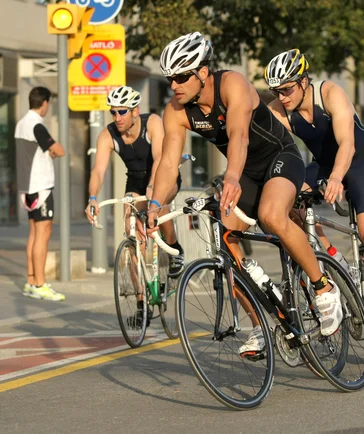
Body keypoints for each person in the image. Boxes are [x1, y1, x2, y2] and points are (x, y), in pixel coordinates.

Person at [150, 33, 344, 355]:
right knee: (224, 246)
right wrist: (156, 206)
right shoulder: (177, 111)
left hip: (279, 158)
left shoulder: (232, 84)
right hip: (244, 174)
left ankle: (323, 287)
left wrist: (231, 177)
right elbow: (169, 164)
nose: (175, 85)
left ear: (202, 72)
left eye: (182, 76)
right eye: (170, 79)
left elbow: (238, 135)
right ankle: (260, 325)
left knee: (271, 215)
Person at [265, 48, 364, 346]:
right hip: (323, 165)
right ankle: (329, 251)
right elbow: (277, 149)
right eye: (276, 91)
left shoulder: (330, 93)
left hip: (358, 160)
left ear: (303, 81)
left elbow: (347, 142)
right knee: (290, 205)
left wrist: (338, 178)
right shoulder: (280, 108)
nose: (282, 96)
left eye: (287, 88)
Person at [84, 86, 185, 278]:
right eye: (113, 112)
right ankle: (140, 295)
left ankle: (174, 248)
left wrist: (152, 188)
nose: (117, 117)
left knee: (159, 202)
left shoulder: (152, 123)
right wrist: (92, 197)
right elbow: (98, 170)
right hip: (135, 180)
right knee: (130, 225)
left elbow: (159, 158)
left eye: (122, 111)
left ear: (135, 111)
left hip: (162, 175)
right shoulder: (107, 135)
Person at [16, 87, 66, 301]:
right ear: (44, 103)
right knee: (43, 235)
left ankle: (31, 281)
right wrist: (55, 151)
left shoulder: (21, 123)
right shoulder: (37, 124)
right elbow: (60, 150)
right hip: (41, 186)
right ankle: (40, 283)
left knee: (34, 234)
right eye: (49, 103)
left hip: (27, 187)